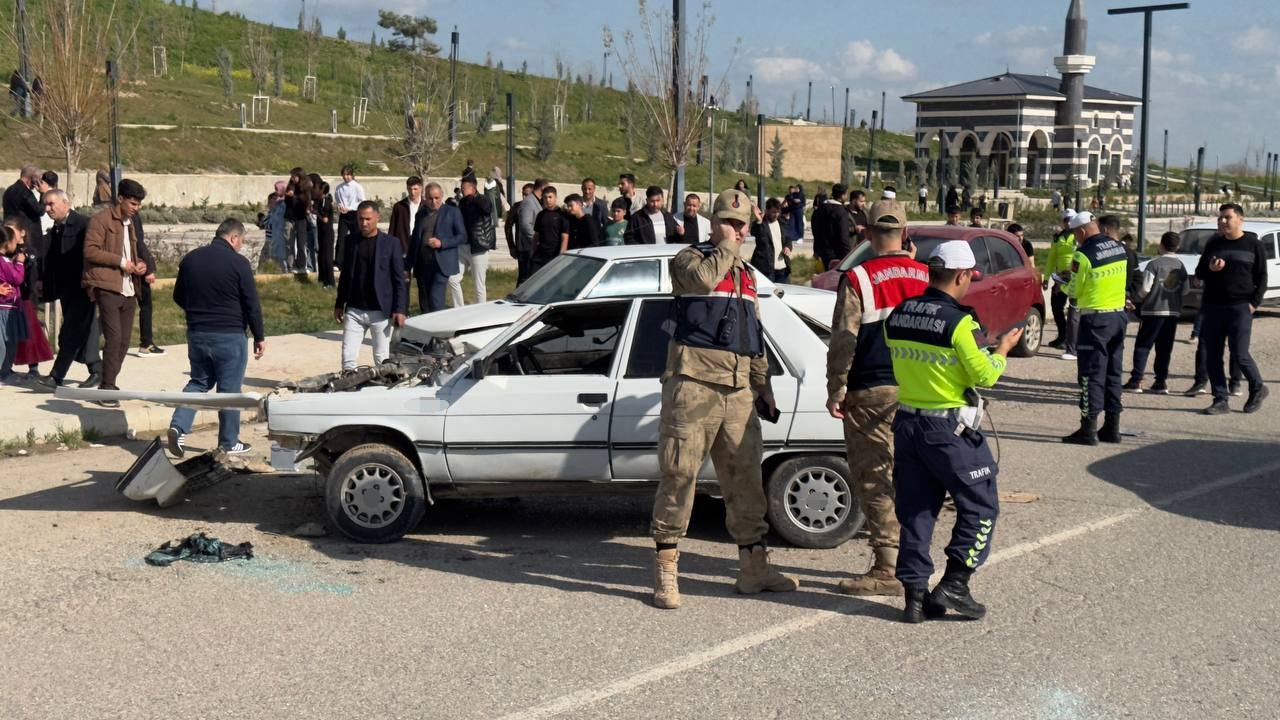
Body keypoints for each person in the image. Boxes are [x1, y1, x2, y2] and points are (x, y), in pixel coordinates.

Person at [650, 188, 798, 610]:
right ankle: (666, 569)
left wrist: (763, 386)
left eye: (739, 225)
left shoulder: (748, 276)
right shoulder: (689, 259)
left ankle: (754, 568)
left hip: (737, 391)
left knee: (746, 480)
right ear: (713, 224)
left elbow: (753, 336)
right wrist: (728, 249)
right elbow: (700, 282)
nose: (734, 231)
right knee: (679, 475)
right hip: (693, 383)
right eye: (726, 223)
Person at [885, 240, 1022, 623]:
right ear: (962, 275)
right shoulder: (959, 322)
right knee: (981, 505)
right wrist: (1002, 350)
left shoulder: (899, 313)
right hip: (947, 429)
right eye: (969, 278)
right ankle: (955, 583)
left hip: (908, 423)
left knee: (916, 511)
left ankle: (914, 598)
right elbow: (984, 376)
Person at [826, 198, 929, 597]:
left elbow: (844, 341)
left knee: (876, 477)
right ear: (905, 234)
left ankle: (888, 566)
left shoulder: (859, 278)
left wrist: (837, 388)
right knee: (913, 477)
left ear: (866, 234)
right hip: (920, 392)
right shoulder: (925, 275)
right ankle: (915, 558)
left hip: (871, 391)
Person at [166, 219, 265, 457]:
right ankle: (229, 442)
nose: (241, 246)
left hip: (198, 333)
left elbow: (178, 296)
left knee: (198, 383)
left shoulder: (190, 259)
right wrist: (259, 336)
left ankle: (178, 426)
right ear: (234, 238)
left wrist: (198, 310)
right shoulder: (239, 263)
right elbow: (252, 304)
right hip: (229, 336)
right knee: (229, 390)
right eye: (241, 241)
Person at [1194, 203, 1268, 415]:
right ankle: (1220, 400)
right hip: (1213, 306)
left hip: (1240, 306)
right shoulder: (1214, 243)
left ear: (1240, 219)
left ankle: (1257, 387)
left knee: (1240, 353)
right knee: (1213, 355)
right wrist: (1210, 269)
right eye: (1220, 218)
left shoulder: (1253, 244)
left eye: (1227, 217)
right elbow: (1199, 272)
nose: (1222, 221)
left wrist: (1254, 303)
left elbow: (1262, 277)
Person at [1061, 213, 1128, 446]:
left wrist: (1065, 283)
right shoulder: (1118, 247)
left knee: (1091, 374)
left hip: (1095, 320)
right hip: (1118, 317)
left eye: (1074, 234)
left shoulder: (1083, 254)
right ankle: (1112, 427)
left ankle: (1088, 430)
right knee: (1113, 372)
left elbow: (1075, 291)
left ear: (1080, 232)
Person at [81, 178, 149, 404]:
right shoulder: (100, 220)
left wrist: (139, 264)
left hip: (129, 287)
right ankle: (107, 387)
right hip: (107, 285)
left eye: (138, 205)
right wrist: (121, 262)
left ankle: (109, 381)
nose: (136, 208)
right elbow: (90, 251)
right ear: (120, 198)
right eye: (132, 203)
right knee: (114, 337)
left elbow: (133, 251)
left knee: (124, 341)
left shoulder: (131, 222)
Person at [35, 190, 102, 390]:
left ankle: (57, 375)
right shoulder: (56, 228)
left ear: (66, 202)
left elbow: (92, 255)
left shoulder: (84, 224)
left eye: (51, 204)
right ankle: (98, 370)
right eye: (45, 205)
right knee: (86, 328)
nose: (47, 209)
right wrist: (43, 281)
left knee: (70, 331)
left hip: (83, 287)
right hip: (66, 288)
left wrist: (91, 282)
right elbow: (52, 260)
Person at [335, 202, 407, 370]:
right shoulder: (351, 241)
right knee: (348, 357)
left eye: (368, 219)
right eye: (361, 219)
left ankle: (383, 391)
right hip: (354, 310)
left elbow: (399, 280)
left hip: (380, 311)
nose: (364, 223)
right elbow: (345, 276)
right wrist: (339, 303)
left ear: (377, 218)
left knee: (381, 358)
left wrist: (400, 309)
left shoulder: (391, 243)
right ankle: (348, 389)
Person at [1123, 232, 1186, 395]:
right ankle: (1160, 382)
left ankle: (1136, 380)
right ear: (1177, 247)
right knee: (1165, 348)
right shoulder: (1181, 266)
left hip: (1153, 311)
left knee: (1143, 345)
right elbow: (1185, 290)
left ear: (1161, 245)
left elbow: (1145, 288)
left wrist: (1135, 299)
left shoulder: (1154, 264)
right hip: (1172, 312)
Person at [4, 217, 52, 378]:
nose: (8, 234)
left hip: (27, 297)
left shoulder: (29, 251)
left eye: (12, 230)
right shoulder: (6, 253)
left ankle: (33, 366)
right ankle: (6, 365)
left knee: (30, 333)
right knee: (10, 334)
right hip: (10, 300)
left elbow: (33, 272)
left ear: (22, 233)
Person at [408, 183, 466, 314]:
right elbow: (415, 241)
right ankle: (427, 332)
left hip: (441, 264)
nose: (434, 201)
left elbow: (462, 236)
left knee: (436, 300)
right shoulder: (421, 213)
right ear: (425, 197)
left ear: (442, 196)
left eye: (437, 198)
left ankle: (440, 332)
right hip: (423, 264)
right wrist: (408, 265)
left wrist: (442, 243)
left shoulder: (452, 212)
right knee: (425, 302)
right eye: (430, 198)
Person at [453, 172, 494, 304]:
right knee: (452, 279)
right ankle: (458, 309)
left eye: (464, 187)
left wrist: (473, 199)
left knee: (479, 285)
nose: (462, 189)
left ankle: (481, 313)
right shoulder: (463, 202)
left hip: (479, 246)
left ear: (473, 188)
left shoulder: (483, 199)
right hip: (463, 246)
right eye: (461, 187)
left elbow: (487, 209)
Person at [131, 212, 164, 357]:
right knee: (145, 305)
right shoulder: (132, 215)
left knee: (113, 308)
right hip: (135, 267)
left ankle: (87, 345)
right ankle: (146, 344)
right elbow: (138, 242)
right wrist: (149, 269)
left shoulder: (112, 213)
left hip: (125, 265)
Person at [1044, 210, 1077, 348]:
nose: (1068, 222)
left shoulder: (1079, 235)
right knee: (1056, 306)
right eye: (1065, 219)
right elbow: (1052, 258)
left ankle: (1072, 339)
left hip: (1075, 276)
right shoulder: (1058, 237)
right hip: (1060, 277)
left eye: (1070, 219)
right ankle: (1062, 336)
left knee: (1074, 309)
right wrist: (1046, 278)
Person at [0, 224, 26, 383]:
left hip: (9, 307)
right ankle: (3, 372)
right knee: (6, 343)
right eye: (15, 242)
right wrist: (20, 263)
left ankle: (5, 372)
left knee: (8, 343)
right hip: (5, 308)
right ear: (7, 243)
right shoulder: (5, 261)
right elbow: (17, 278)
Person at [748, 198, 793, 282]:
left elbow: (787, 239)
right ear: (767, 210)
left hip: (782, 270)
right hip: (766, 270)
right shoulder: (761, 224)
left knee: (782, 294)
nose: (776, 215)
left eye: (778, 212)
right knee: (768, 294)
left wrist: (788, 247)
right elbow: (754, 232)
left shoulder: (782, 223)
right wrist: (759, 221)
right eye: (773, 212)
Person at [530, 185, 569, 272]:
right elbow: (536, 235)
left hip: (554, 255)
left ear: (556, 197)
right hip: (540, 255)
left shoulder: (562, 215)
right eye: (545, 197)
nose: (548, 200)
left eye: (550, 197)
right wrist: (533, 251)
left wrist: (561, 255)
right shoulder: (541, 215)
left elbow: (565, 237)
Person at [515, 179, 547, 283]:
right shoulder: (529, 202)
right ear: (543, 188)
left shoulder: (537, 201)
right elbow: (525, 225)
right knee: (525, 279)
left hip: (532, 248)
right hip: (527, 248)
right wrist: (537, 240)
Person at [334, 166, 364, 271]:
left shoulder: (357, 187)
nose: (346, 177)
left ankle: (358, 260)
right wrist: (339, 206)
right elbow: (337, 199)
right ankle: (338, 263)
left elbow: (361, 201)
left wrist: (350, 208)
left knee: (356, 237)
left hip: (354, 214)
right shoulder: (339, 187)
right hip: (344, 215)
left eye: (348, 174)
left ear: (351, 175)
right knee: (341, 238)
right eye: (344, 175)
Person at [814, 184, 852, 270]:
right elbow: (843, 235)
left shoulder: (820, 209)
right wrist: (848, 256)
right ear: (843, 195)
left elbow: (815, 230)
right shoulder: (841, 212)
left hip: (822, 250)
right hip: (837, 253)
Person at [283, 168, 313, 274]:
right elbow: (286, 201)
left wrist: (295, 195)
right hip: (290, 217)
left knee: (301, 243)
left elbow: (306, 201)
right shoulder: (290, 185)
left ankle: (301, 265)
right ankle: (290, 266)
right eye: (291, 176)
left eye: (294, 176)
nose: (292, 178)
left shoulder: (306, 186)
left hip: (301, 218)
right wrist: (289, 196)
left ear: (300, 176)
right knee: (289, 242)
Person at [389, 176, 424, 258]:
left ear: (421, 188)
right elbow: (392, 228)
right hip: (403, 244)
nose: (412, 192)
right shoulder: (399, 206)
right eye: (410, 189)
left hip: (421, 244)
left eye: (415, 189)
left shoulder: (426, 206)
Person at [315, 181, 336, 288]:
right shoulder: (320, 201)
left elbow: (325, 218)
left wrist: (316, 214)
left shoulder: (327, 202)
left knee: (328, 257)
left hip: (327, 233)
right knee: (321, 255)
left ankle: (330, 282)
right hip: (321, 232)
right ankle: (322, 278)